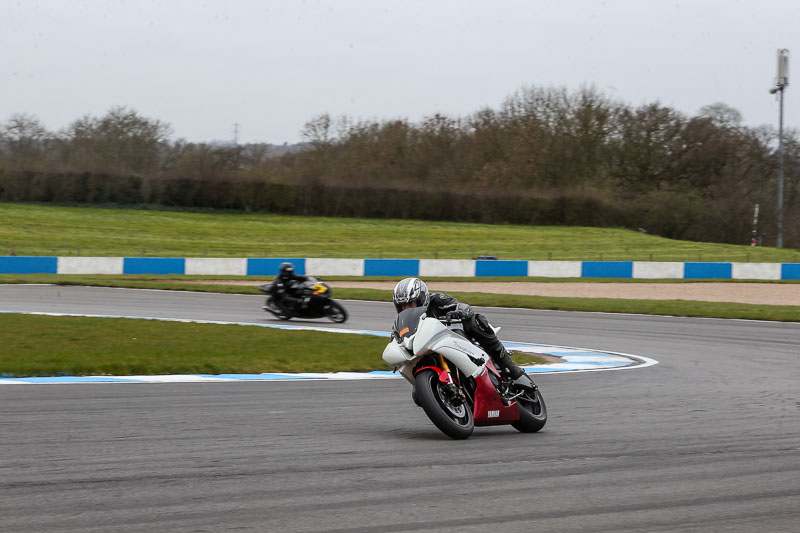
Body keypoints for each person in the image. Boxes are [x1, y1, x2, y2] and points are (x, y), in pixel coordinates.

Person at [392, 277, 526, 380]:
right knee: (417, 396)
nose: (407, 309)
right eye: (403, 307)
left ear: (422, 298)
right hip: (428, 349)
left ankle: (508, 365)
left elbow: (462, 306)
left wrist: (459, 311)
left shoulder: (437, 300)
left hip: (457, 336)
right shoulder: (403, 321)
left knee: (476, 321)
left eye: (410, 304)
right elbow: (396, 338)